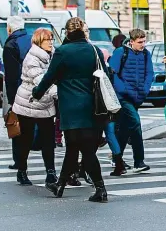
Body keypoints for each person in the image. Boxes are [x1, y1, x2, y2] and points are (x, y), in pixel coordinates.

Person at [33, 17, 109, 203]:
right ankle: (60, 185)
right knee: (75, 148)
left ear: (66, 32)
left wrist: (37, 92)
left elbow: (49, 77)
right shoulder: (94, 50)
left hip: (71, 107)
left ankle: (101, 188)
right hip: (93, 107)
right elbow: (105, 77)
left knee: (84, 149)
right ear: (83, 31)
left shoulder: (63, 52)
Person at [11, 28, 58, 186]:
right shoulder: (32, 58)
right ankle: (22, 171)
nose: (51, 42)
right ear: (39, 42)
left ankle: (51, 173)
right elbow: (41, 81)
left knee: (48, 140)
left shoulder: (52, 56)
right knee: (25, 139)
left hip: (45, 104)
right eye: (47, 40)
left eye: (51, 39)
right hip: (28, 102)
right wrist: (60, 93)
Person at [109, 29, 154, 173]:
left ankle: (118, 162)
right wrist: (123, 90)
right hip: (123, 97)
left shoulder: (146, 54)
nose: (143, 44)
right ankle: (138, 161)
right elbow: (113, 74)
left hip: (137, 96)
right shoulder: (121, 52)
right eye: (140, 42)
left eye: (144, 41)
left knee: (124, 129)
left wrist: (144, 90)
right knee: (135, 123)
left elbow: (149, 74)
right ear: (132, 41)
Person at [3, 15, 32, 170]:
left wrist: (11, 97)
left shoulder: (10, 44)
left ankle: (20, 162)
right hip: (35, 89)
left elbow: (11, 75)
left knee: (17, 126)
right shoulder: (32, 40)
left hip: (19, 90)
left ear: (9, 29)